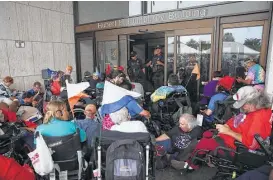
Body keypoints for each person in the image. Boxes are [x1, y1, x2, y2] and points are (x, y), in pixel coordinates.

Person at [174, 86, 272, 170]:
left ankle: (189, 165)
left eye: (244, 105)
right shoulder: (254, 112)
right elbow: (236, 120)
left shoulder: (258, 119)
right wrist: (226, 126)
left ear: (252, 103)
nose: (242, 108)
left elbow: (252, 144)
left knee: (204, 142)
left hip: (238, 150)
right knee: (207, 135)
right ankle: (189, 157)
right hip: (231, 139)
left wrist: (229, 131)